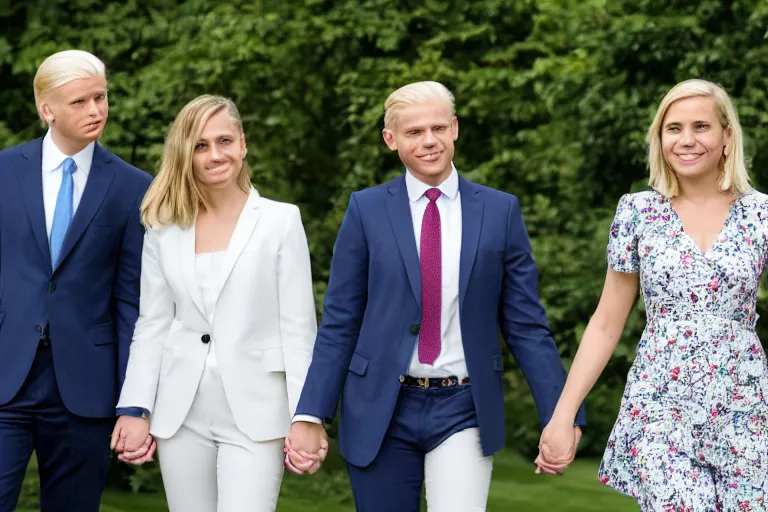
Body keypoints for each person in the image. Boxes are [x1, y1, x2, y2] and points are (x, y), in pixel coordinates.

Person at [286, 81, 586, 511]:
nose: (429, 141)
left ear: (455, 128)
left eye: (438, 128)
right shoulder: (366, 211)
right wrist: (311, 413)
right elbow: (340, 322)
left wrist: (561, 415)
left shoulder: (500, 212)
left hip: (464, 405)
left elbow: (526, 325)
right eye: (413, 132)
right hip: (380, 409)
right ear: (391, 140)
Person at [537, 79, 768, 510]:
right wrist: (563, 415)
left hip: (745, 406)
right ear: (659, 139)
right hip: (660, 406)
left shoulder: (761, 215)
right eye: (673, 128)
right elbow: (606, 323)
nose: (687, 140)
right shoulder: (638, 212)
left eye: (701, 126)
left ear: (726, 137)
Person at [111, 94, 317, 511]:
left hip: (257, 412)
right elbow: (151, 324)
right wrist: (134, 408)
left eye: (224, 141)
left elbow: (299, 330)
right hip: (180, 413)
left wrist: (306, 416)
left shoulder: (281, 221)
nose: (215, 154)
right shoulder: (162, 228)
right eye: (200, 146)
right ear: (185, 155)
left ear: (242, 143)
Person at [0, 50, 152, 511]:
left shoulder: (132, 187)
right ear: (46, 109)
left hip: (86, 386)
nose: (95, 111)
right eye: (80, 101)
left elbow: (132, 303)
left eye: (101, 98)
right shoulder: (4, 172)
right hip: (6, 373)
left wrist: (134, 402)